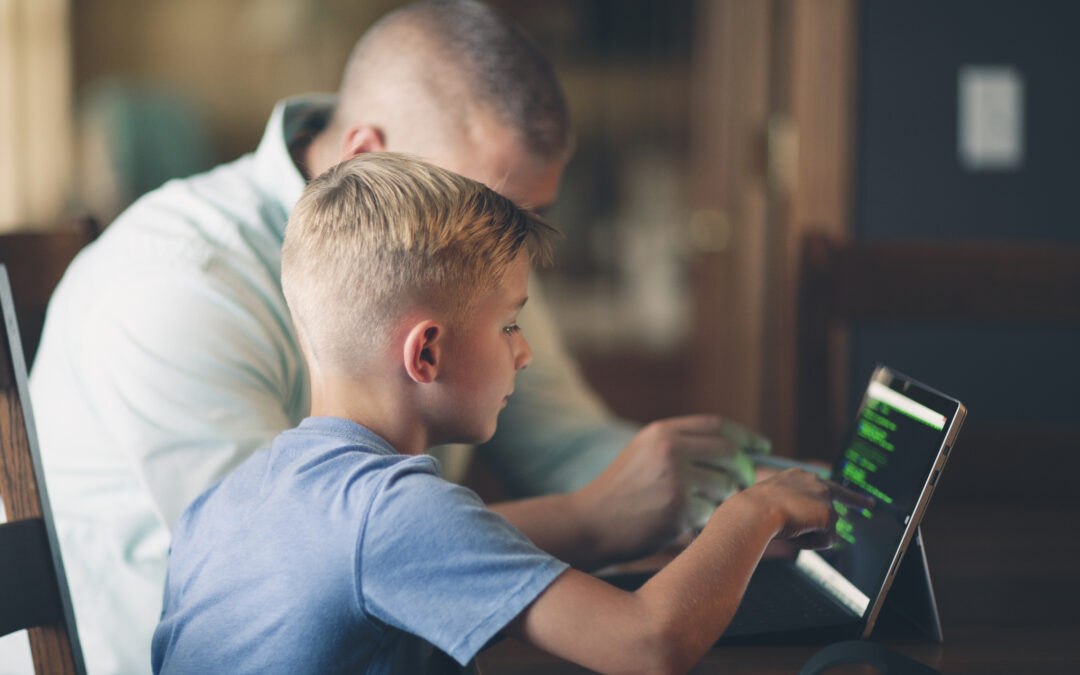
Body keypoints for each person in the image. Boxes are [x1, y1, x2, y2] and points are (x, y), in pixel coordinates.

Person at [13, 2, 761, 674]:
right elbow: (324, 559)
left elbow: (573, 449)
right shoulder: (174, 283)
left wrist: (750, 488)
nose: (517, 252)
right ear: (367, 162)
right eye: (496, 212)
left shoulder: (467, 265)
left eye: (528, 219)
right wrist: (607, 518)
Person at [152, 153, 868, 674]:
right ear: (426, 353)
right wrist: (756, 510)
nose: (523, 354)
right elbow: (648, 643)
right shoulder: (391, 509)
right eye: (509, 324)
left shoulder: (229, 501)